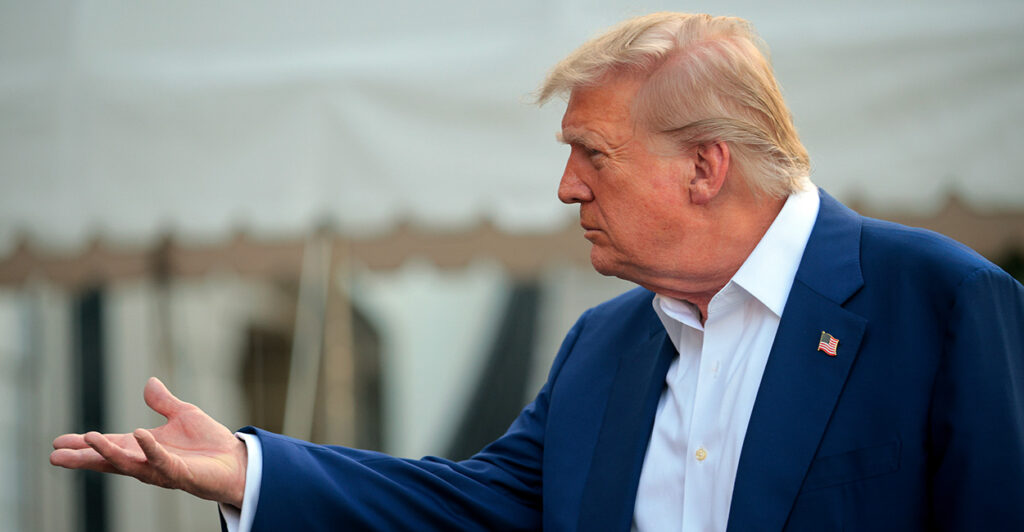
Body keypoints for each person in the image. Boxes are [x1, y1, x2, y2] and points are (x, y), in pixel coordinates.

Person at [51, 12, 1024, 531]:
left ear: (704, 166)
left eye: (591, 155)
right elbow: (472, 508)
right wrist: (255, 471)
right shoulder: (605, 345)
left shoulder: (937, 302)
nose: (565, 189)